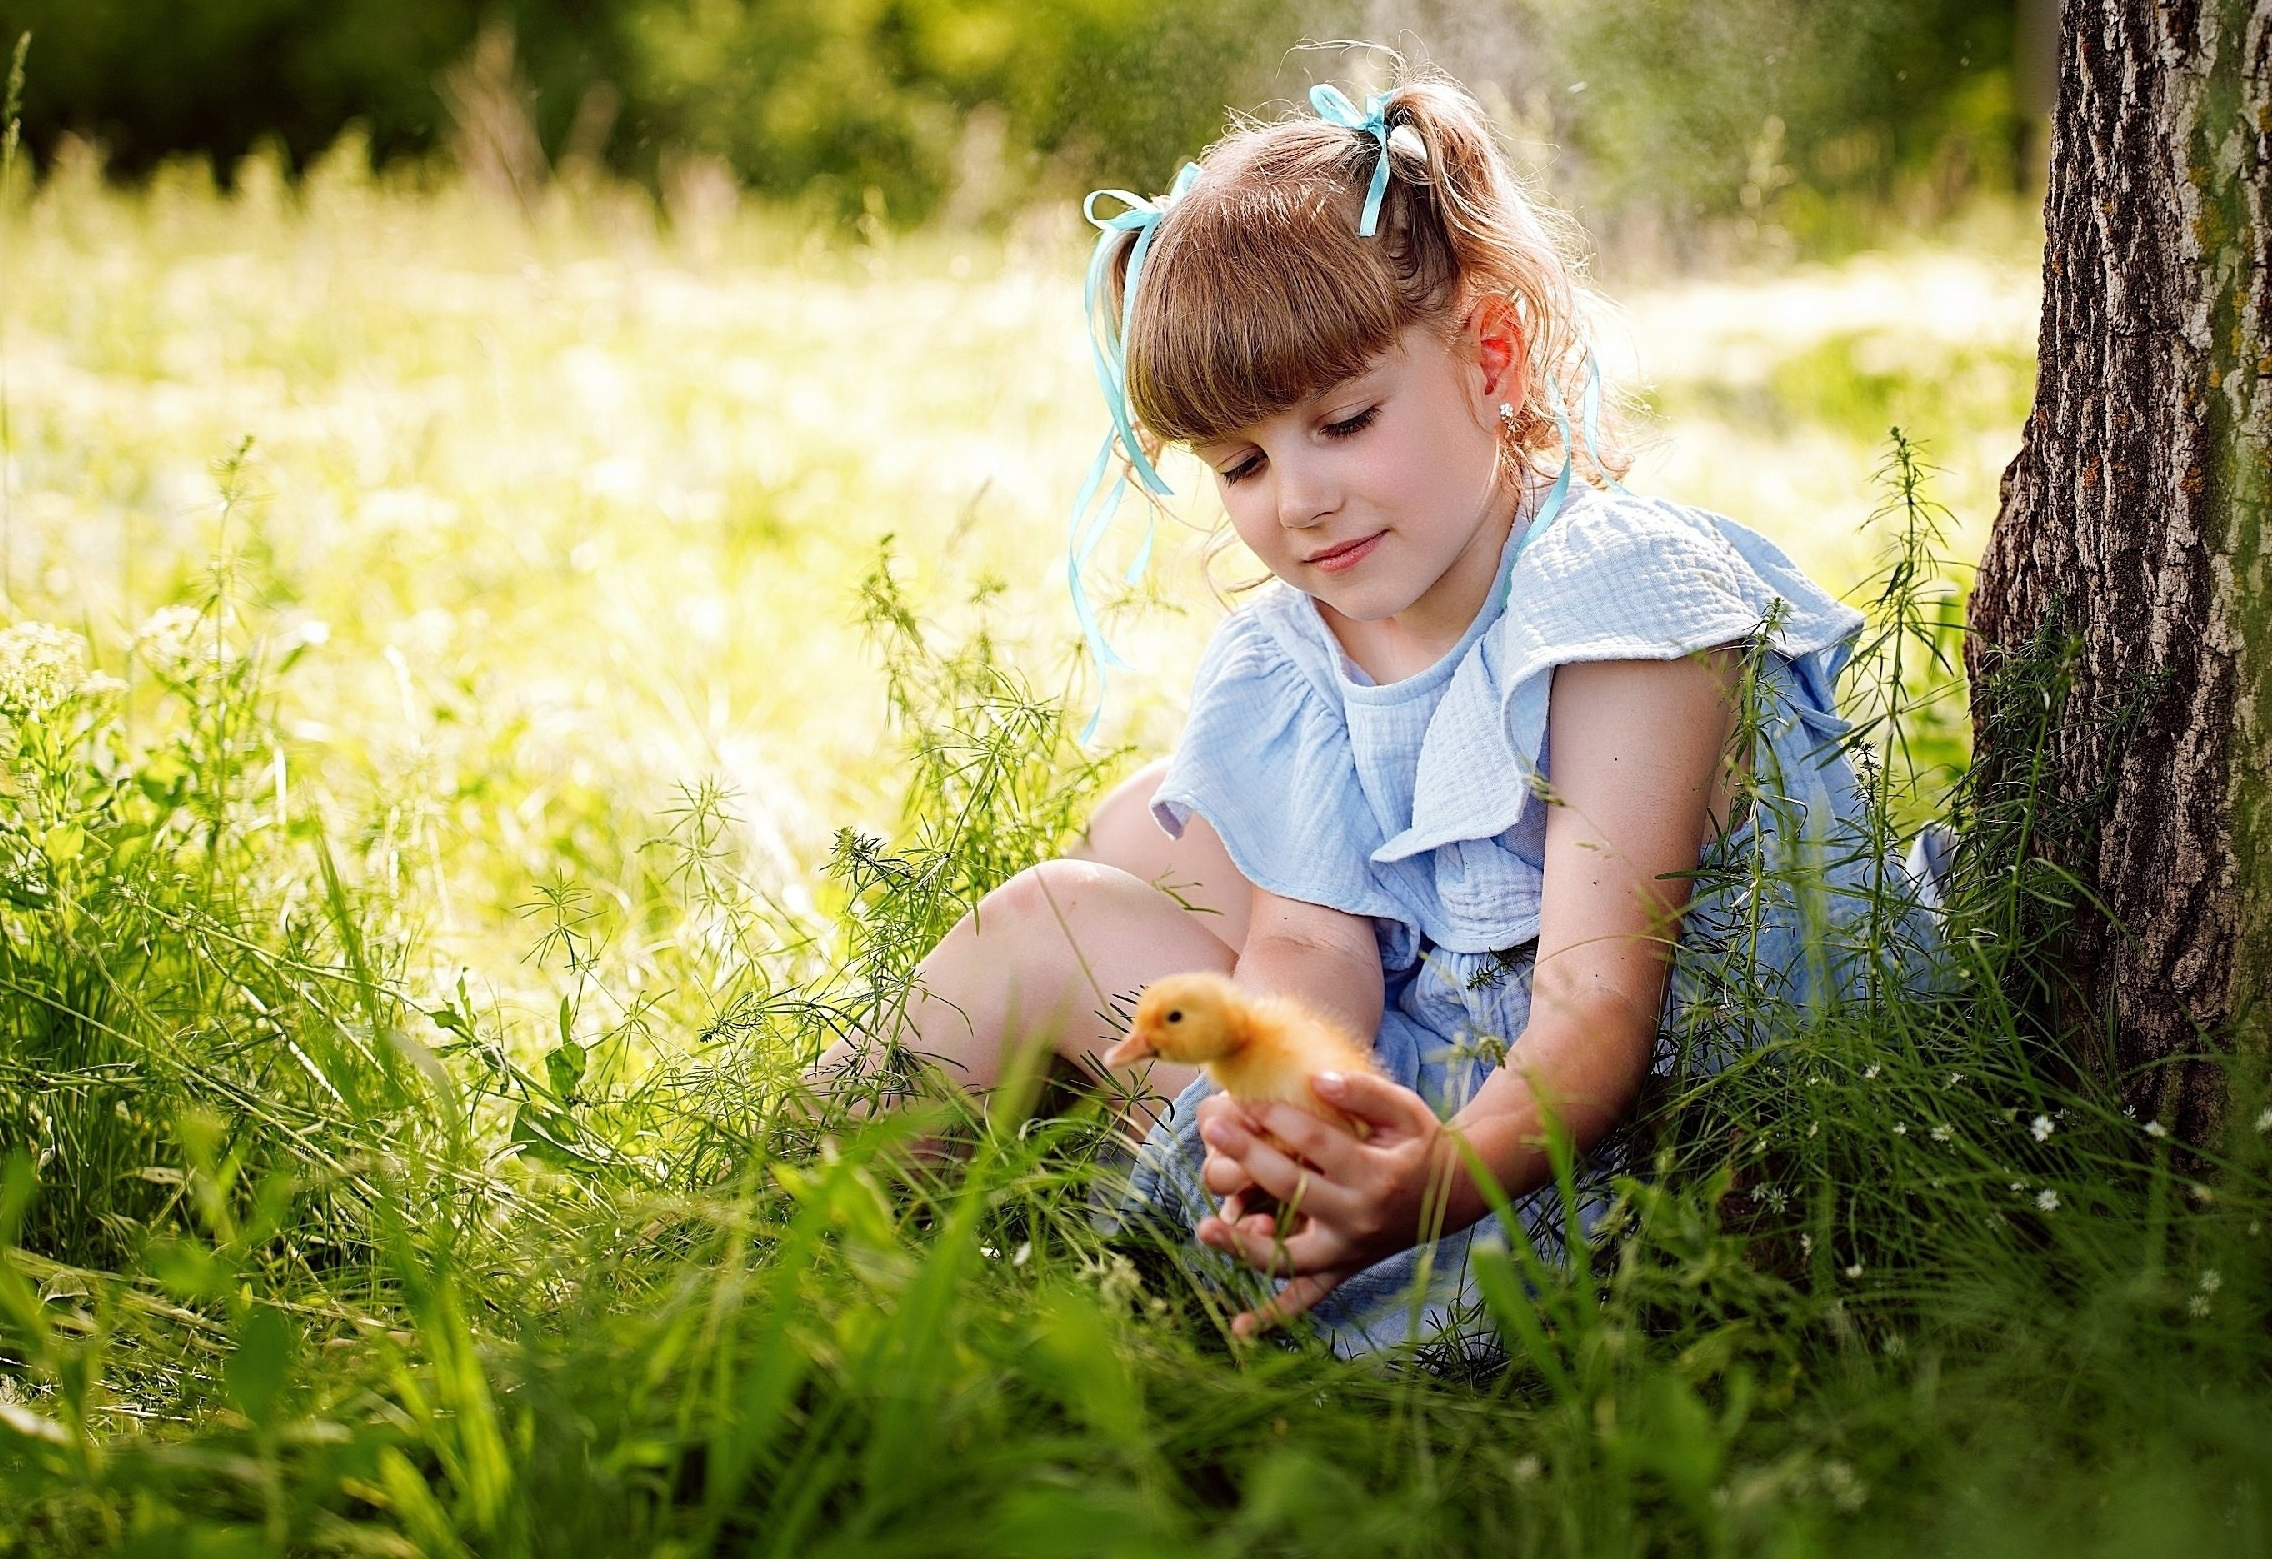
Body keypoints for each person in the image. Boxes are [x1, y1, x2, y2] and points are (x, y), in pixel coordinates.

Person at [828, 69, 1940, 1356]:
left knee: (1043, 926)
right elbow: (1313, 951)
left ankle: (765, 1235)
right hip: (1438, 1096)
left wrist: (1418, 1182)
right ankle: (865, 1230)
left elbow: (1595, 1012)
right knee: (1137, 824)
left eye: (1342, 421)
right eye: (1240, 463)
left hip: (1617, 1161)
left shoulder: (1616, 598)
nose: (1295, 498)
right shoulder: (1299, 648)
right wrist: (1308, 1109)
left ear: (1492, 352)